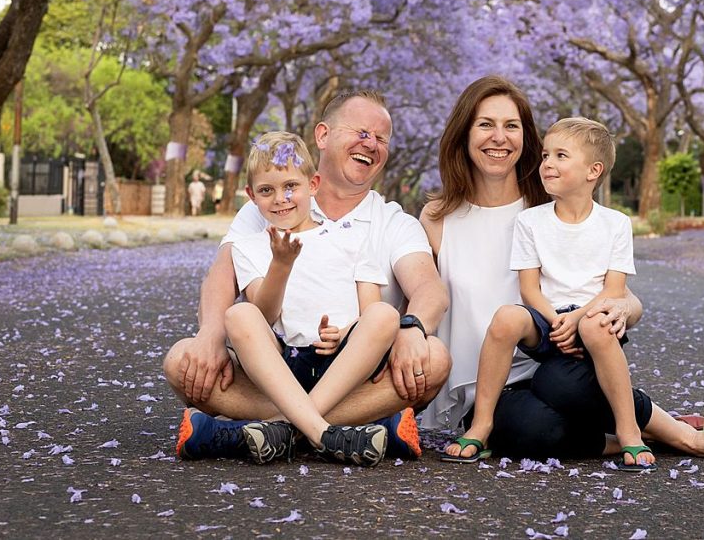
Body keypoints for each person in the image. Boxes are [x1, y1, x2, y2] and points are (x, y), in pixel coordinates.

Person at [421, 75, 704, 464]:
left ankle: (682, 436)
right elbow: (418, 297)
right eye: (485, 124)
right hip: (489, 388)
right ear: (463, 132)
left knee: (559, 382)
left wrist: (620, 310)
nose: (499, 137)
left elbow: (624, 298)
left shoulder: (549, 205)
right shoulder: (436, 217)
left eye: (511, 126)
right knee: (534, 432)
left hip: (559, 360)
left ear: (526, 138)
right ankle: (642, 432)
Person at [164, 90, 450, 461]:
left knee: (435, 358)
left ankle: (260, 432)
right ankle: (346, 433)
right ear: (323, 135)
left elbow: (429, 289)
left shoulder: (391, 220)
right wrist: (210, 336)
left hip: (354, 372)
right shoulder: (275, 202)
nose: (371, 144)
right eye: (361, 132)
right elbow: (223, 277)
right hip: (276, 363)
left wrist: (411, 328)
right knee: (180, 361)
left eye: (381, 138)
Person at [441, 117, 655, 469]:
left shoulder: (615, 224)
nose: (547, 164)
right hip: (547, 317)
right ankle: (482, 423)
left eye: (560, 156)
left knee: (594, 327)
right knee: (506, 317)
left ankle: (629, 431)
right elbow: (529, 288)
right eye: (544, 156)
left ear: (593, 171)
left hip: (592, 319)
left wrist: (577, 317)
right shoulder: (532, 221)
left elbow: (614, 291)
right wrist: (557, 319)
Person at [211, 130, 396, 466]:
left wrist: (343, 332)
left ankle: (285, 428)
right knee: (239, 316)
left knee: (386, 314)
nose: (280, 198)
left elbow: (371, 313)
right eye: (267, 190)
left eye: (290, 187)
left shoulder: (351, 239)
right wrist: (281, 264)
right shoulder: (249, 246)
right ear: (252, 196)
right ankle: (325, 434)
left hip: (344, 365)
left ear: (313, 185)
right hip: (285, 366)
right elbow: (263, 315)